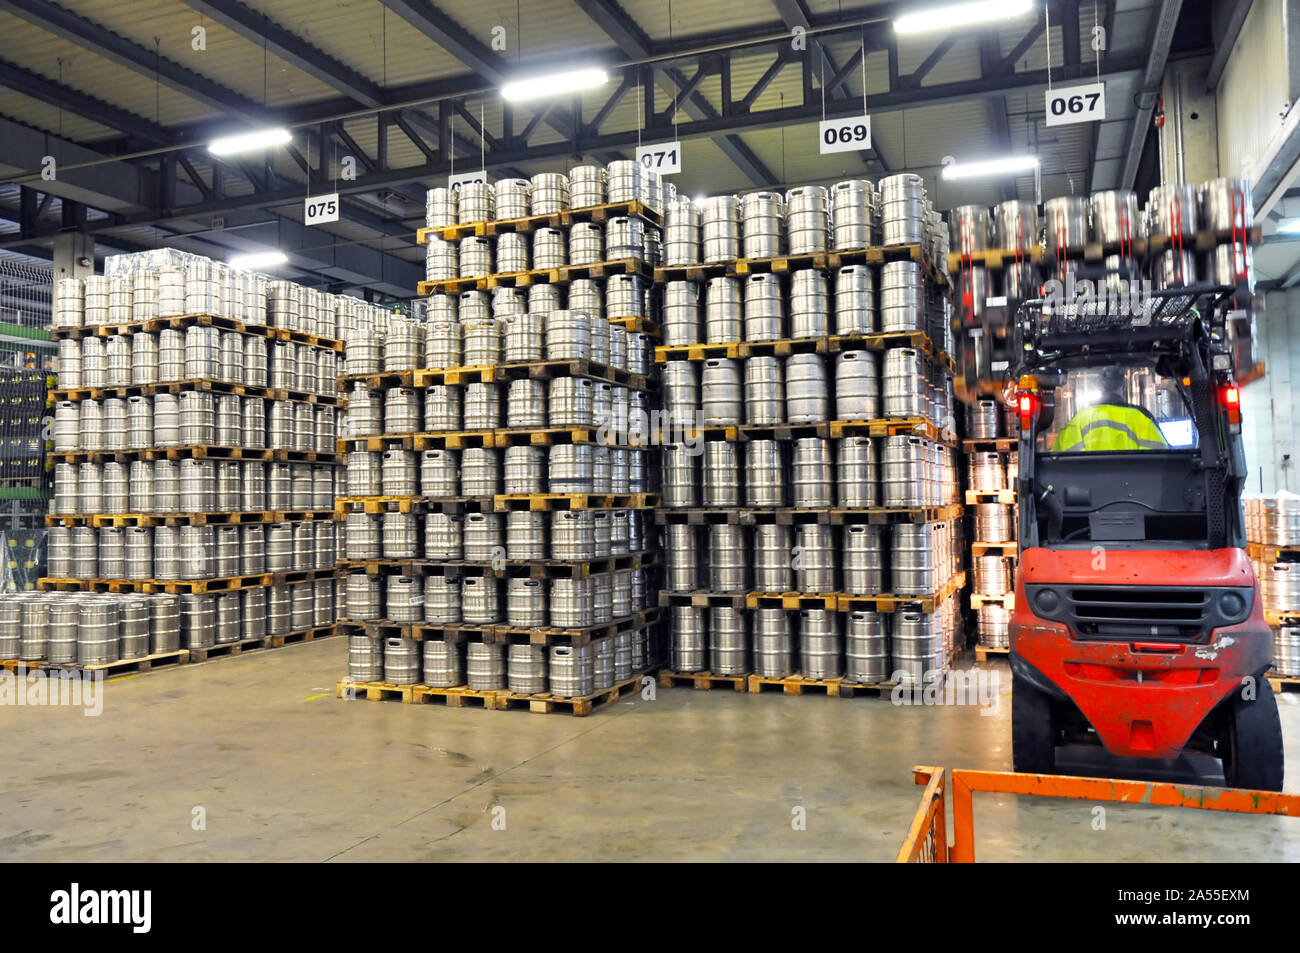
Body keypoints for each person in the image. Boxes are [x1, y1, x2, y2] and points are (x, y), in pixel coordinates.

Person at [1052, 366, 1168, 451]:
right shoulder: (1141, 418)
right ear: (1122, 385)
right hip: (1134, 484)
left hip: (1084, 485)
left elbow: (1058, 463)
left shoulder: (1079, 420)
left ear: (1098, 384)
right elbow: (1162, 462)